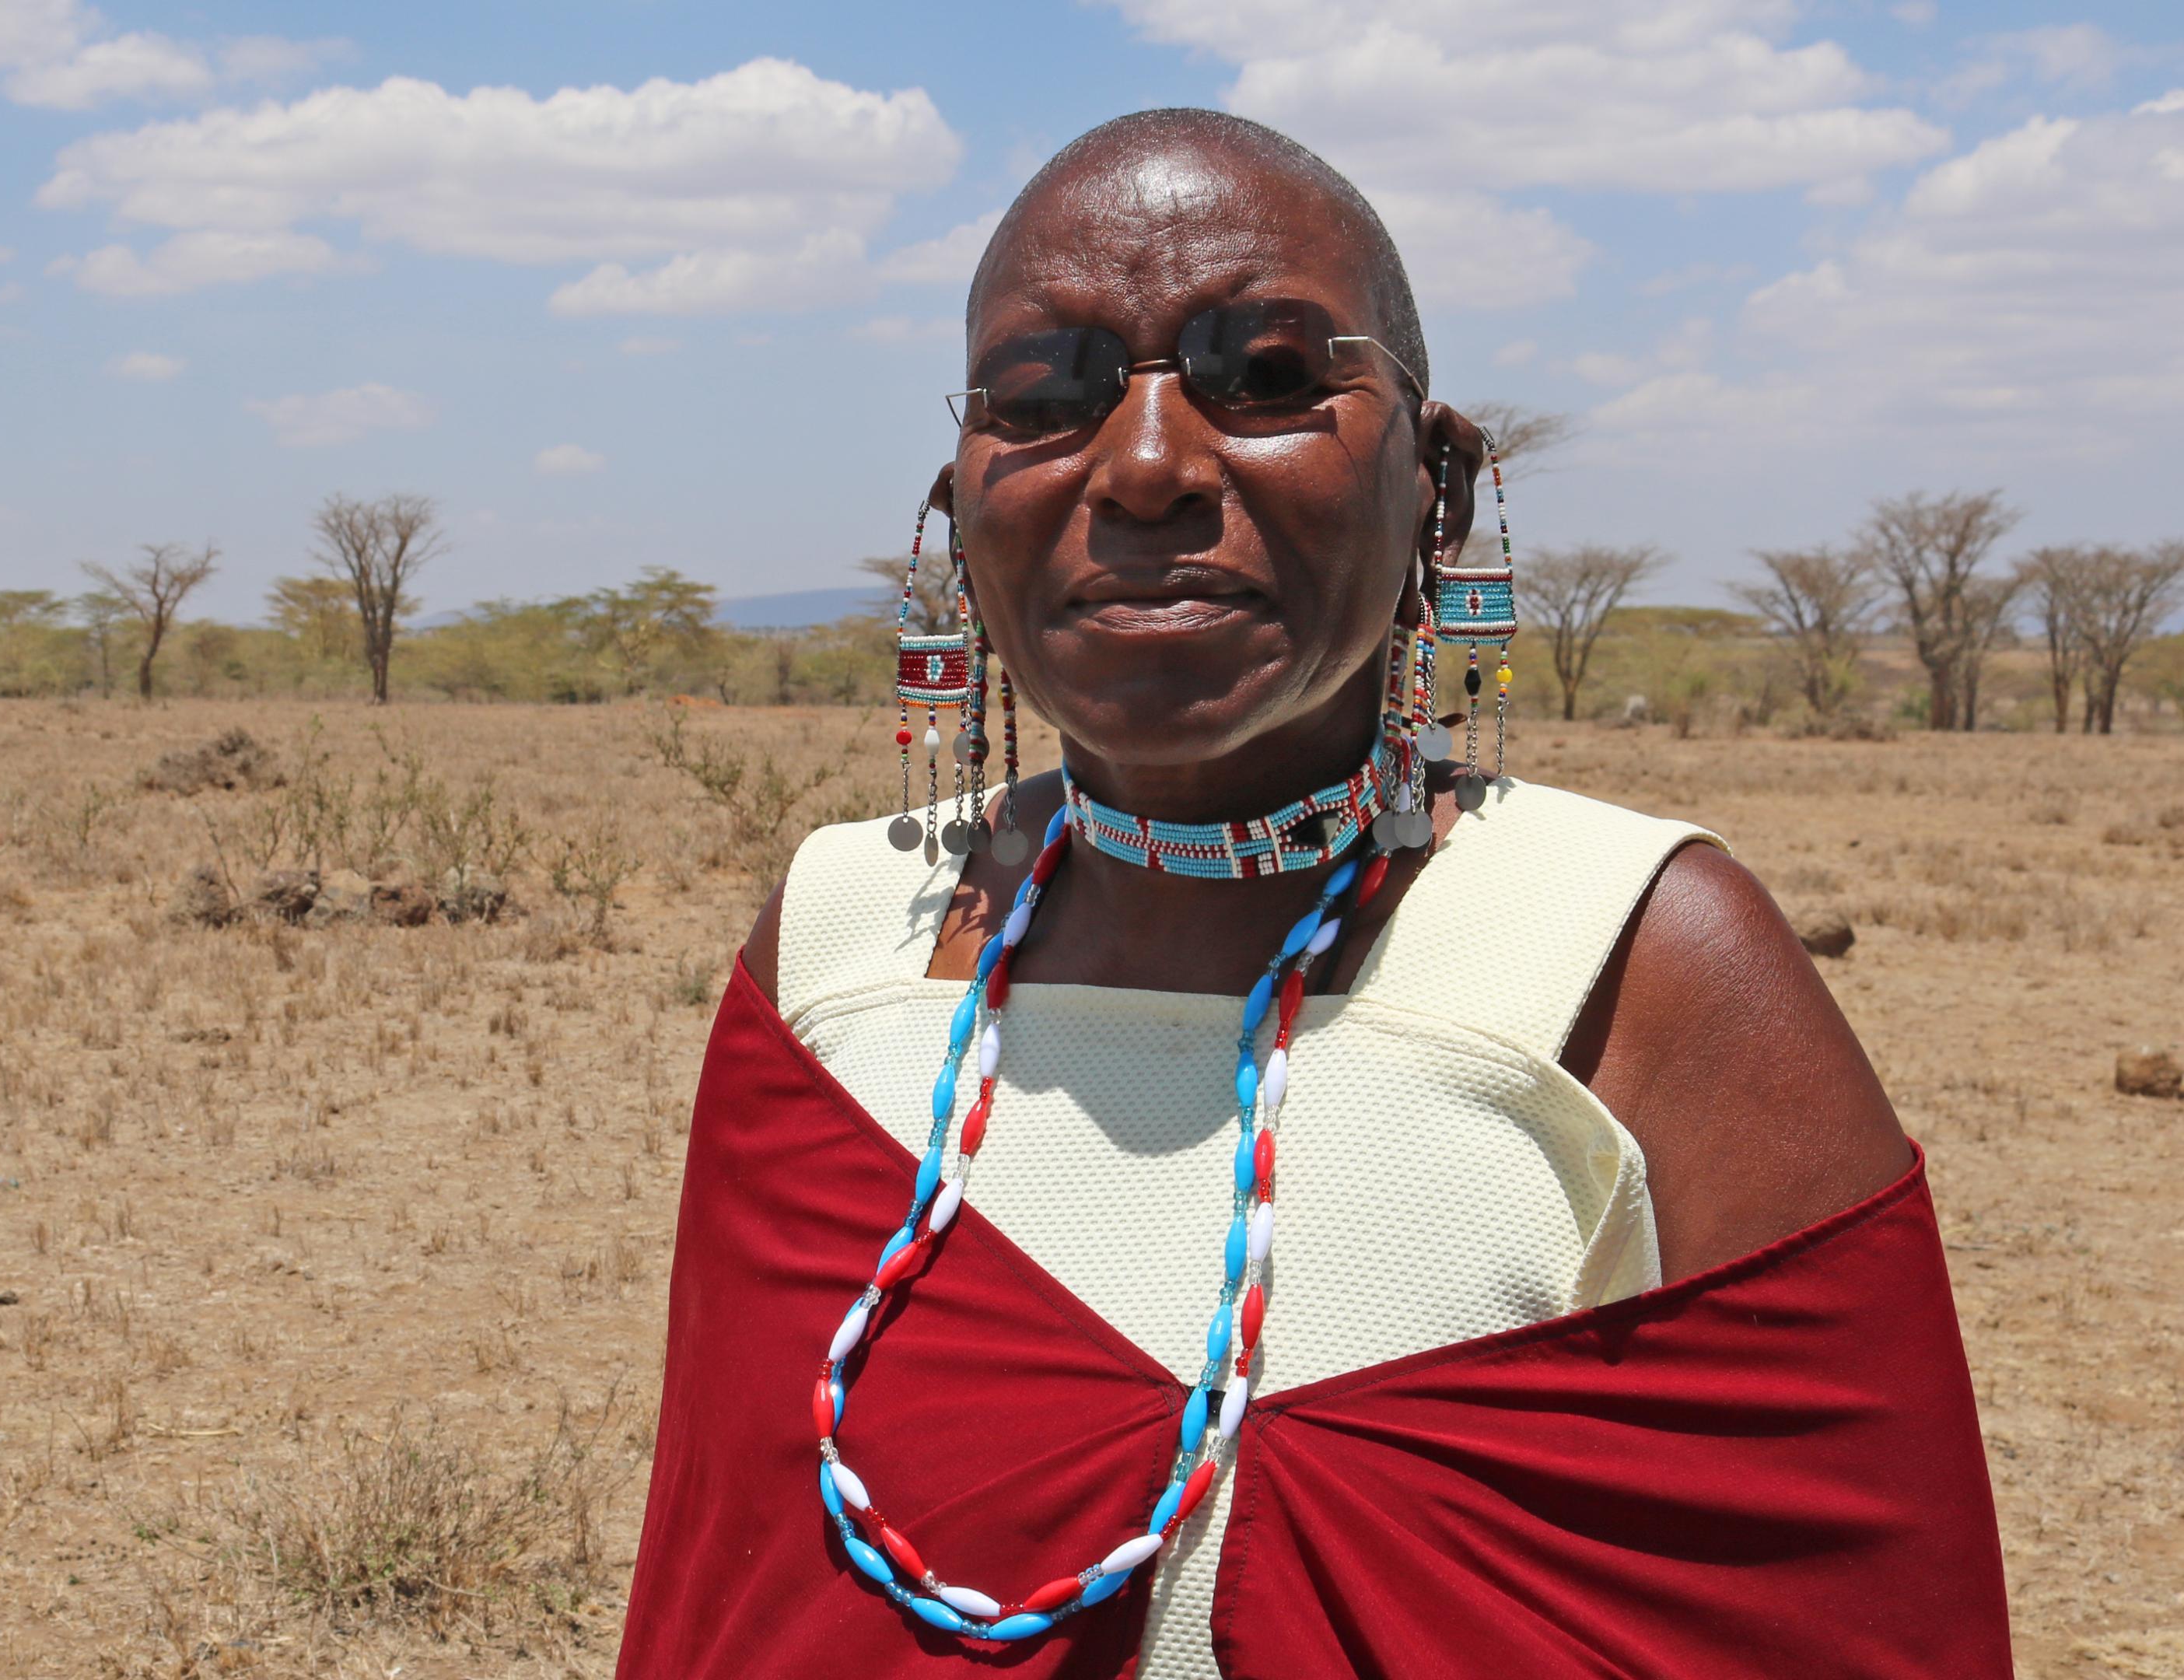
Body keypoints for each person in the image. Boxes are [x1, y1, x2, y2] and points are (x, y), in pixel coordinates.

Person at [614, 110, 2008, 1678]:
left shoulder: (1641, 959)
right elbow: (724, 1593)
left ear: (1443, 488)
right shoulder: (832, 936)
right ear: (958, 500)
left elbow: (1847, 1632)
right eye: (1041, 396)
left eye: (1268, 378)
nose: (1142, 466)